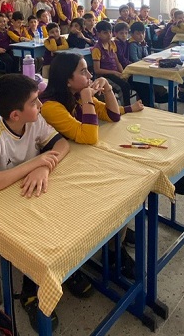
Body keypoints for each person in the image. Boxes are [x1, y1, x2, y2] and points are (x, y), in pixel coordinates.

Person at [0, 74, 79, 330]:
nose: (40, 105)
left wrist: (44, 168)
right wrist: (33, 164)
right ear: (15, 115)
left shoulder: (34, 121)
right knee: (39, 233)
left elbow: (61, 144)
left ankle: (68, 268)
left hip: (30, 190)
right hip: (5, 205)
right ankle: (32, 290)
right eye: (34, 102)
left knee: (68, 212)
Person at [39, 53, 141, 278]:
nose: (90, 75)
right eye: (83, 71)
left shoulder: (76, 94)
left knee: (126, 180)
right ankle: (114, 247)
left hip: (81, 158)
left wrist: (107, 90)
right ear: (67, 79)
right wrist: (87, 98)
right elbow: (89, 136)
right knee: (116, 190)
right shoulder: (51, 107)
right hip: (59, 170)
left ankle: (116, 238)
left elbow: (113, 115)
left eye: (88, 70)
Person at [92, 20, 133, 105]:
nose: (109, 35)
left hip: (114, 74)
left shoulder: (112, 44)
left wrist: (122, 73)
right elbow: (97, 70)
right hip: (104, 76)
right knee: (123, 87)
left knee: (129, 82)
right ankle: (126, 109)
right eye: (105, 33)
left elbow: (117, 61)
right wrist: (114, 72)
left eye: (110, 32)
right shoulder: (97, 49)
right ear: (98, 34)